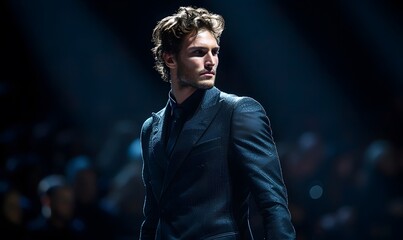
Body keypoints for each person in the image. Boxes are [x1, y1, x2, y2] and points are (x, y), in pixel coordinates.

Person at [139, 6, 296, 239]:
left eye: (215, 51)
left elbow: (272, 202)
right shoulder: (151, 128)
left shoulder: (237, 111)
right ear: (170, 58)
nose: (211, 61)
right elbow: (152, 216)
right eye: (199, 52)